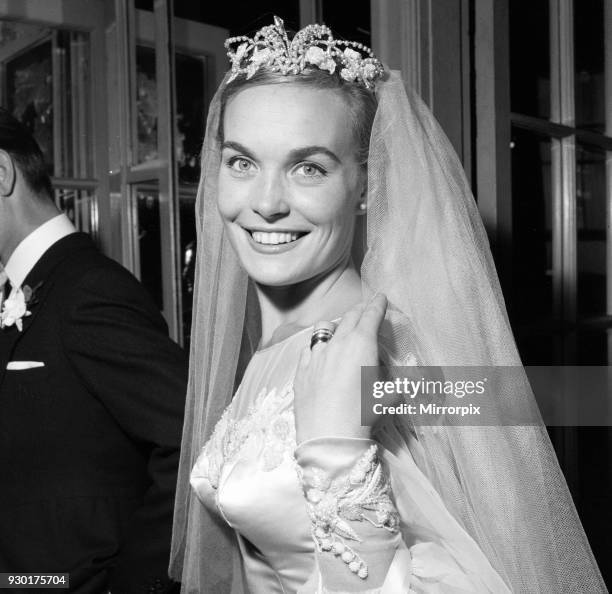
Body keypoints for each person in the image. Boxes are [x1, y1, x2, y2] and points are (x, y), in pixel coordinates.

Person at [170, 17, 606, 593]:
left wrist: (338, 459)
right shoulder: (283, 337)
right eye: (242, 162)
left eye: (309, 168)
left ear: (367, 186)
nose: (266, 202)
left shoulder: (379, 353)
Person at [0, 108, 187, 593]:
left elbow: (192, 441)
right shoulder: (24, 291)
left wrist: (124, 585)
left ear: (1, 173)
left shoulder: (89, 289)